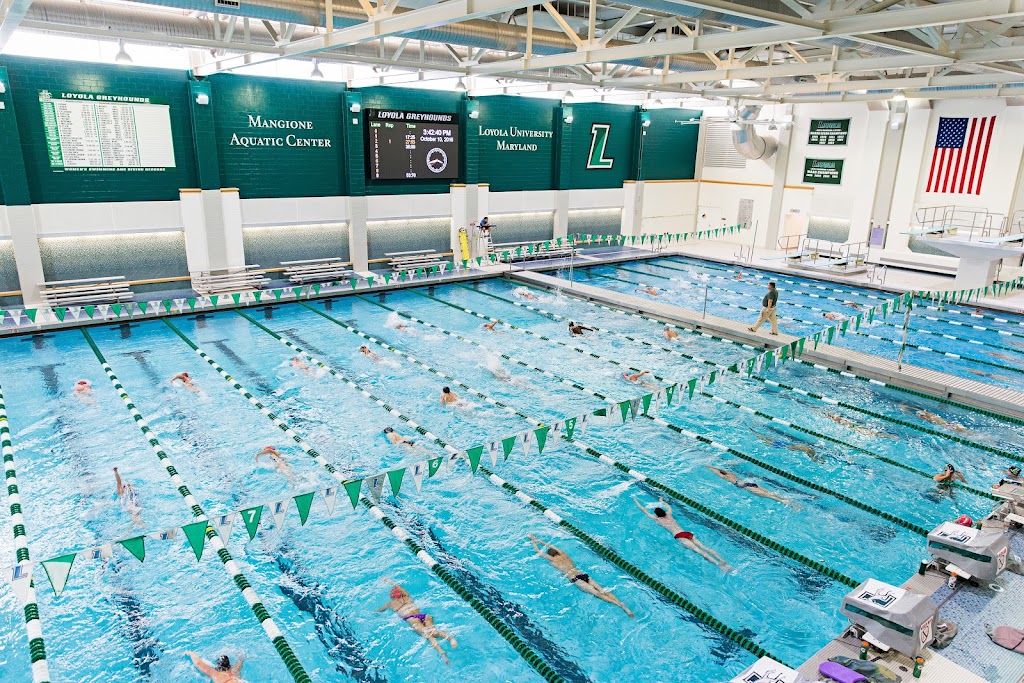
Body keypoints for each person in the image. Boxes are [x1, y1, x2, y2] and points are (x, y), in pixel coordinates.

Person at [528, 534, 633, 617]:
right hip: (582, 574)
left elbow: (537, 551)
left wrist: (533, 540)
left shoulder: (554, 560)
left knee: (597, 594)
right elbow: (552, 546)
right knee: (602, 589)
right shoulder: (564, 555)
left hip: (575, 579)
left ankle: (619, 605)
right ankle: (621, 603)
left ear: (550, 555)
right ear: (557, 551)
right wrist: (540, 540)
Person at [631, 495, 731, 571]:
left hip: (679, 536)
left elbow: (643, 510)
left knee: (699, 551)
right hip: (686, 532)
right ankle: (723, 561)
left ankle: (719, 565)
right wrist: (661, 501)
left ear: (657, 514)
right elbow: (669, 506)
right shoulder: (669, 514)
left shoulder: (657, 520)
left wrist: (636, 501)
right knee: (705, 548)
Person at [376, 579, 457, 664]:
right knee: (433, 631)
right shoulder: (406, 597)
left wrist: (374, 614)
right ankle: (450, 639)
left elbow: (379, 611)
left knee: (427, 634)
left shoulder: (391, 604)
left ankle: (442, 653)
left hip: (412, 619)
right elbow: (398, 586)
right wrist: (388, 581)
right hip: (423, 616)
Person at [707, 466, 798, 507]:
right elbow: (719, 468)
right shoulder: (731, 473)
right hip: (750, 483)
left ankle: (786, 502)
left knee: (769, 496)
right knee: (770, 493)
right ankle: (788, 498)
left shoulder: (725, 476)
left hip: (747, 487)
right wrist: (712, 466)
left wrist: (708, 466)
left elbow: (716, 471)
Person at [899, 405, 969, 433]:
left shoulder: (927, 419)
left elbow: (912, 415)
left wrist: (904, 409)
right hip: (952, 424)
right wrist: (908, 407)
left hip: (948, 427)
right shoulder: (933, 415)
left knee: (966, 433)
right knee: (968, 433)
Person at [751, 429, 818, 458]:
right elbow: (801, 447)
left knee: (764, 439)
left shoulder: (806, 449)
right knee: (765, 439)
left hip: (783, 445)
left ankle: (753, 432)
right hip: (784, 445)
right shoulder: (804, 449)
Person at [824, 413, 893, 439]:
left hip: (855, 427)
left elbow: (850, 425)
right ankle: (887, 435)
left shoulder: (841, 420)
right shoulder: (841, 420)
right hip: (856, 427)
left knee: (869, 432)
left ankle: (887, 435)